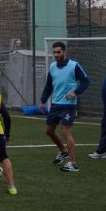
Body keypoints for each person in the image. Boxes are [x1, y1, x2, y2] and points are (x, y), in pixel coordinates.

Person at [39, 41, 89, 172]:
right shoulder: (53, 66)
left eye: (58, 52)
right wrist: (43, 101)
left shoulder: (74, 66)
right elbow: (49, 85)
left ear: (65, 52)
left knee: (66, 131)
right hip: (55, 104)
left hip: (69, 105)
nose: (56, 54)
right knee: (49, 131)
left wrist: (75, 93)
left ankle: (73, 163)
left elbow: (85, 81)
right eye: (54, 52)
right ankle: (63, 151)